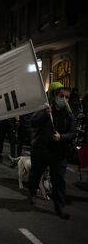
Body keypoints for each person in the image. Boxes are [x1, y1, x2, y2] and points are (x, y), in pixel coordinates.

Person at [28, 82, 75, 220]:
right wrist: (44, 114)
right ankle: (32, 193)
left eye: (67, 97)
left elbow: (72, 133)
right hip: (41, 150)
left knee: (59, 180)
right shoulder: (45, 109)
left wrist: (61, 137)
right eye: (62, 96)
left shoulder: (69, 115)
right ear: (55, 96)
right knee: (35, 174)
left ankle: (59, 207)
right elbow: (32, 122)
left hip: (58, 154)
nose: (64, 99)